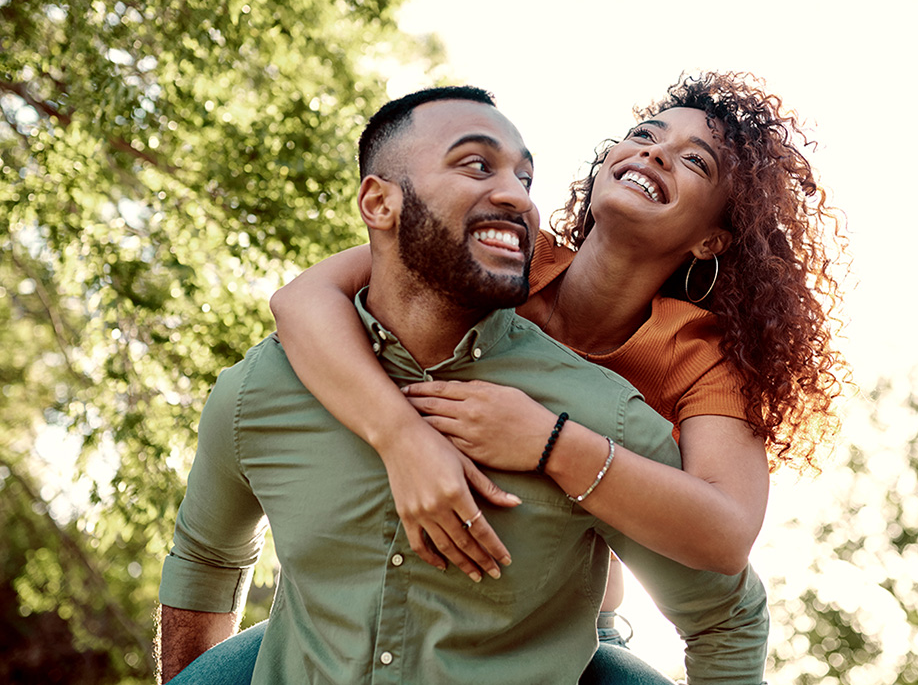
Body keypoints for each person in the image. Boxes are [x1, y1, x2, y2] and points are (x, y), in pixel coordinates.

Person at [157, 86, 770, 685]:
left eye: (694, 160)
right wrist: (403, 440)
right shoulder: (503, 256)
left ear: (711, 239)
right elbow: (302, 299)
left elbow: (724, 539)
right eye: (645, 134)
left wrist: (548, 441)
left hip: (559, 624)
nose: (656, 153)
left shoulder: (699, 357)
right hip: (339, 625)